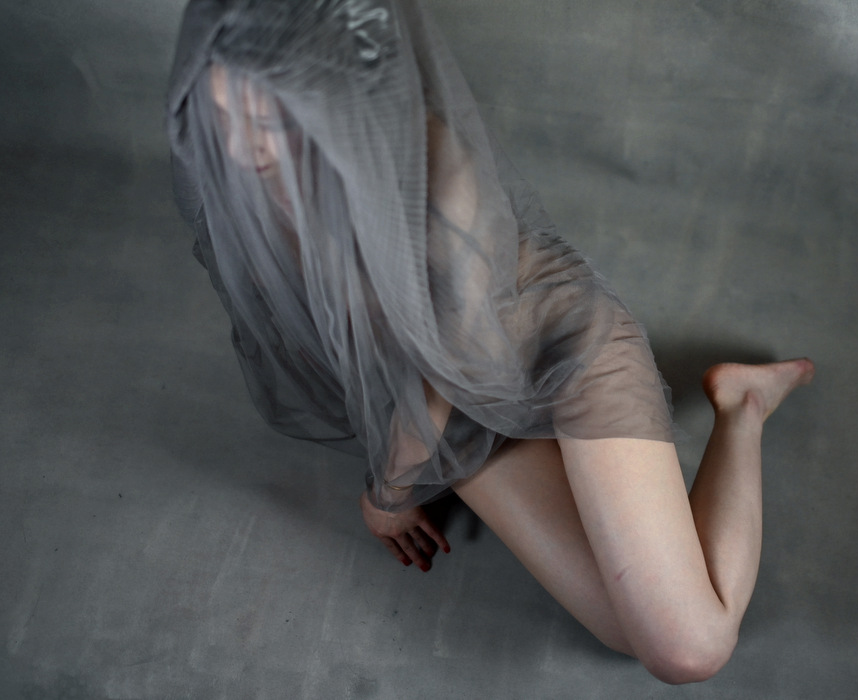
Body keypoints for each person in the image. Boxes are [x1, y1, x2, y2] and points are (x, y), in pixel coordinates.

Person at [167, 0, 814, 684]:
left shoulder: (436, 173)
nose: (240, 145)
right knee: (622, 630)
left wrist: (387, 494)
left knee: (687, 650)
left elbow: (447, 369)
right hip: (465, 407)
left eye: (268, 120)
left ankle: (742, 405)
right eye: (223, 110)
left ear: (334, 92)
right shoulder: (233, 160)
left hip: (557, 355)